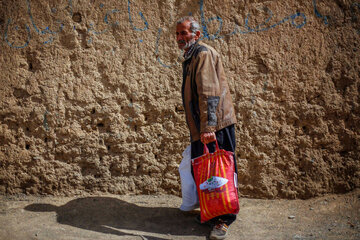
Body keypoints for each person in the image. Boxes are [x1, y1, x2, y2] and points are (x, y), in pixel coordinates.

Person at [175, 16, 238, 240]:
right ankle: (212, 213)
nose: (180, 38)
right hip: (203, 127)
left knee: (220, 173)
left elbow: (209, 94)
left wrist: (209, 127)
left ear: (197, 35)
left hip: (215, 126)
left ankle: (223, 220)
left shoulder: (203, 54)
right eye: (178, 34)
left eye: (184, 33)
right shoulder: (191, 56)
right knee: (205, 172)